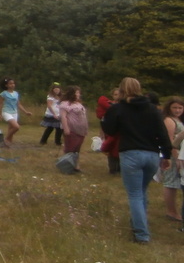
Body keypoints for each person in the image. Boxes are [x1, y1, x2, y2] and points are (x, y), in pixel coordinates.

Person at [100, 77, 172, 244]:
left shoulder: (119, 108)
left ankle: (141, 234)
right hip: (152, 154)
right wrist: (166, 155)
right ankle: (138, 223)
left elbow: (109, 128)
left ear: (122, 89)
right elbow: (162, 132)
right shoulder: (152, 109)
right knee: (142, 191)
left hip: (131, 153)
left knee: (134, 194)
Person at [159, 98, 184, 222]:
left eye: (180, 108)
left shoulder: (179, 119)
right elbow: (169, 140)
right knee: (170, 183)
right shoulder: (169, 120)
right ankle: (171, 211)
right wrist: (175, 156)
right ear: (169, 108)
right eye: (175, 107)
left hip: (180, 154)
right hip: (174, 155)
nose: (177, 110)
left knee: (176, 183)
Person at [58, 85, 87, 173]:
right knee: (70, 148)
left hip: (80, 130)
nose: (79, 94)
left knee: (77, 149)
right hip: (72, 129)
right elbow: (63, 117)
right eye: (77, 92)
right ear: (72, 93)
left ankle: (76, 165)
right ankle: (66, 166)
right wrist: (66, 128)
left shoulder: (78, 104)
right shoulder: (65, 104)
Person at [0, 77, 33, 147]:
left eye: (13, 83)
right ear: (6, 85)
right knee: (16, 127)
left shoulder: (16, 93)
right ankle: (6, 139)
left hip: (14, 112)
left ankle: (8, 144)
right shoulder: (4, 94)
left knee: (11, 128)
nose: (12, 85)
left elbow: (18, 104)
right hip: (6, 112)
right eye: (10, 84)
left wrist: (25, 112)